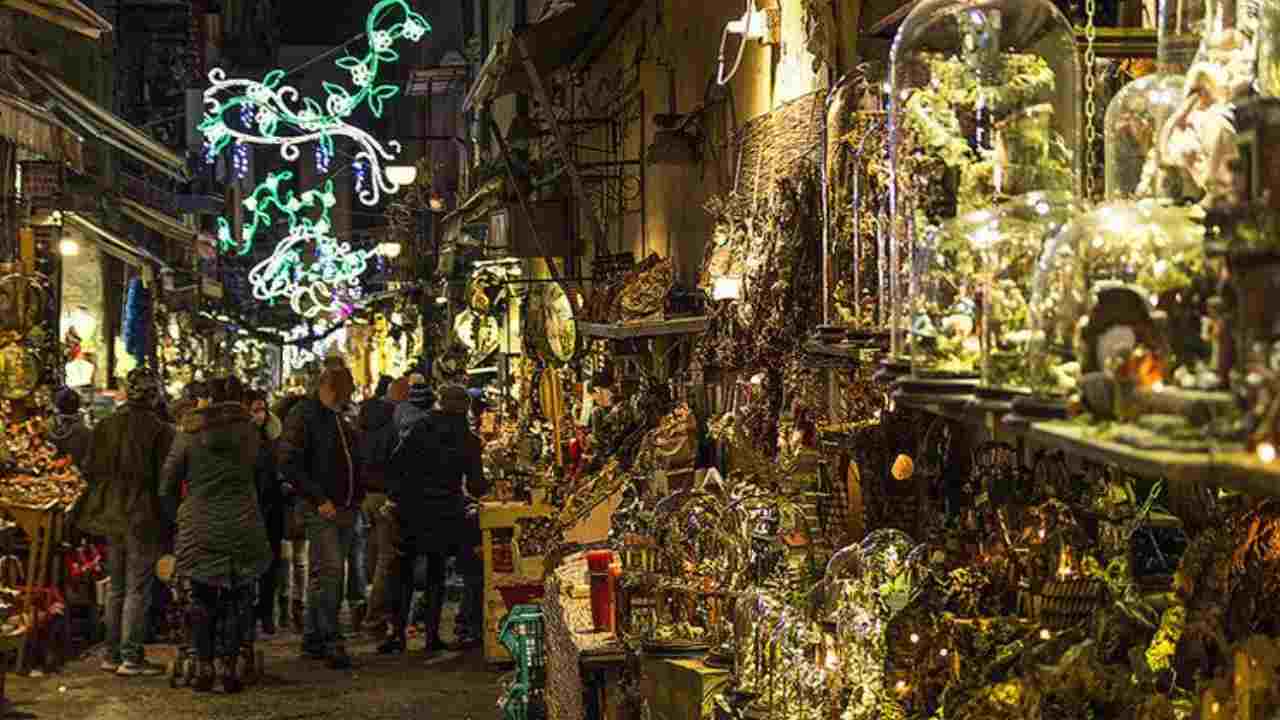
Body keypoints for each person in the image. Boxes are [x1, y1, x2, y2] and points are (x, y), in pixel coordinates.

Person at [161, 377, 272, 692]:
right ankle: (229, 664)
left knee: (201, 597)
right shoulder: (251, 435)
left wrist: (180, 516)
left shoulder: (189, 436)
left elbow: (166, 485)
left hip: (200, 526)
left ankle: (205, 664)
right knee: (239, 598)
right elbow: (265, 480)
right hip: (244, 524)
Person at [77, 368, 175, 677]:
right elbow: (166, 481)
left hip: (111, 514)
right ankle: (131, 657)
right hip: (143, 515)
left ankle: (111, 653)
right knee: (137, 587)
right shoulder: (161, 430)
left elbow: (89, 468)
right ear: (154, 394)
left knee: (117, 586)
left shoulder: (106, 426)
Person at [382, 384, 487, 656]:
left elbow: (396, 462)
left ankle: (397, 634)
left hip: (411, 508)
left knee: (403, 571)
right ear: (466, 408)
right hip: (444, 509)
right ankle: (431, 636)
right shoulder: (468, 439)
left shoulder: (420, 428)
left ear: (440, 402)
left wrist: (397, 497)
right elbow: (476, 485)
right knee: (435, 572)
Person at [279, 365, 364, 669]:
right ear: (327, 389)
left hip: (344, 505)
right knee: (330, 574)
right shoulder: (306, 415)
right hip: (323, 508)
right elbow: (289, 462)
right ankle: (331, 638)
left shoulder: (339, 416)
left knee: (323, 574)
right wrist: (318, 499)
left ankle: (314, 637)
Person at [358, 376, 400, 636]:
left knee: (371, 556)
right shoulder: (391, 430)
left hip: (364, 496)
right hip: (385, 496)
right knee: (386, 557)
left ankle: (365, 606)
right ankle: (374, 617)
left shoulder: (360, 428)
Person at [246, 390, 285, 635]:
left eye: (262, 409)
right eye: (255, 409)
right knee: (250, 565)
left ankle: (267, 612)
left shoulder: (274, 437)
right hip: (249, 510)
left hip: (272, 508)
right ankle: (249, 613)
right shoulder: (241, 440)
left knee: (271, 564)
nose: (259, 415)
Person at [48, 387, 91, 469]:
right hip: (76, 474)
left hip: (53, 471)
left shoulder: (49, 429)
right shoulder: (85, 431)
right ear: (78, 406)